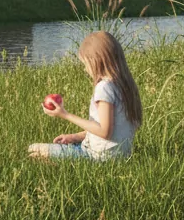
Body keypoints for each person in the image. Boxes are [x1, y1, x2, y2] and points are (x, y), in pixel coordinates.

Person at [28, 31, 142, 161]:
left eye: (85, 64)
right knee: (54, 147)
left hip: (97, 156)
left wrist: (65, 115)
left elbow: (105, 131)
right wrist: (75, 137)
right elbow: (113, 128)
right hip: (121, 155)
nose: (85, 69)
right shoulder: (125, 85)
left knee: (33, 149)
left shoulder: (104, 88)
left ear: (96, 61)